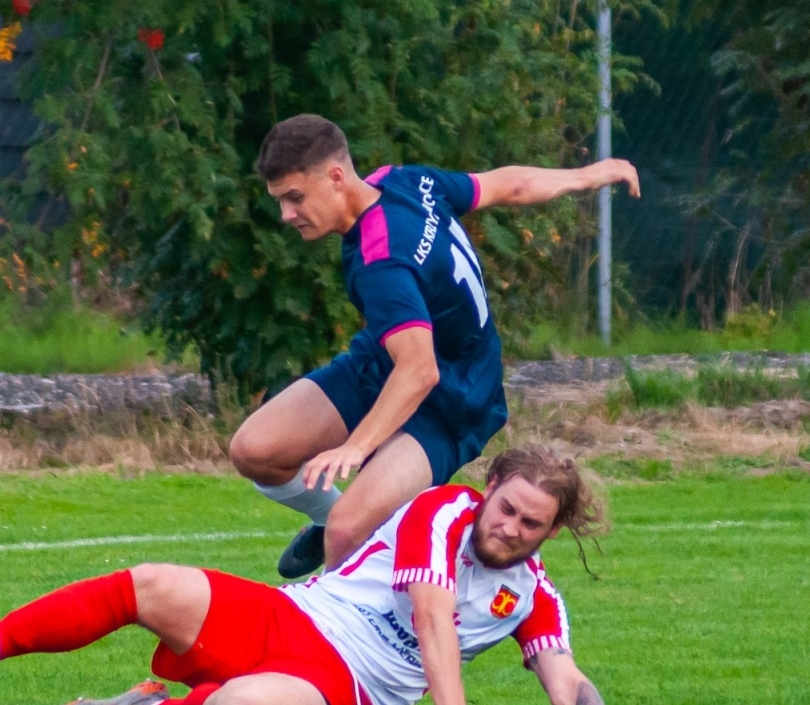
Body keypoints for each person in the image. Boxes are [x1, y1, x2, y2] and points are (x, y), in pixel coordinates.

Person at [0, 445, 614, 705]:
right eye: (508, 509)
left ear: (553, 531)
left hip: (352, 691)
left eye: (532, 523)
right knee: (149, 585)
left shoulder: (534, 595)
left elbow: (564, 681)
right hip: (293, 614)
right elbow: (431, 614)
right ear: (488, 490)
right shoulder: (445, 510)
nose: (513, 528)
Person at [229, 114, 640, 578]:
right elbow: (509, 186)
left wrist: (358, 447)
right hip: (386, 363)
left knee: (348, 532)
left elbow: (421, 371)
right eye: (281, 201)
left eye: (295, 198)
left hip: (454, 399)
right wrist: (589, 175)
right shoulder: (405, 181)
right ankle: (334, 521)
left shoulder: (379, 261)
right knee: (254, 450)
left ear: (336, 177)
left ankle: (343, 632)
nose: (286, 214)